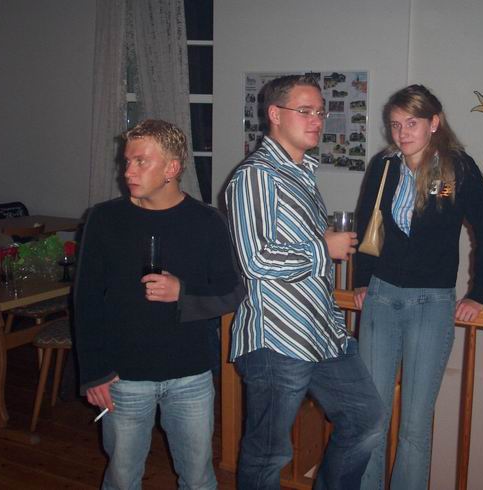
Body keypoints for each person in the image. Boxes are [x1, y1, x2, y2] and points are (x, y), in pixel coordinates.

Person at [225, 74, 385, 489]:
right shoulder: (257, 176)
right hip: (278, 338)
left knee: (365, 418)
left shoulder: (301, 174)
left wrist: (320, 246)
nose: (317, 120)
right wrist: (322, 247)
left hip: (321, 333)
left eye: (320, 112)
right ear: (275, 115)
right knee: (268, 454)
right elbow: (255, 259)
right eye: (305, 111)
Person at [75, 119, 240, 490]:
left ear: (171, 168)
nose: (127, 171)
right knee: (122, 478)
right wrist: (95, 371)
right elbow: (85, 299)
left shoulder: (207, 221)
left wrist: (183, 292)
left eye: (140, 161)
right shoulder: (104, 219)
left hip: (190, 376)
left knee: (198, 479)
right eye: (127, 161)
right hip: (123, 377)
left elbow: (232, 291)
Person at [354, 84, 483, 490]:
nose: (402, 133)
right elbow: (367, 224)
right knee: (371, 419)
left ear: (434, 123)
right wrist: (363, 281)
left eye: (412, 123)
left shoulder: (457, 169)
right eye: (395, 125)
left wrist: (478, 294)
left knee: (414, 427)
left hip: (431, 304)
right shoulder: (384, 166)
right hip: (382, 298)